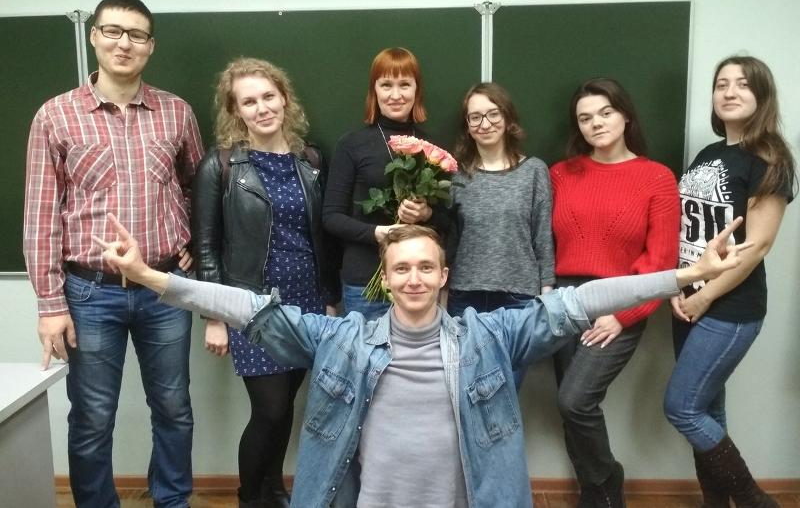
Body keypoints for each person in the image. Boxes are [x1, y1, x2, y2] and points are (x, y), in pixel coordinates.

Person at [95, 214, 748, 508]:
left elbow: (581, 303)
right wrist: (151, 277)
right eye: (401, 267)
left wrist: (686, 274)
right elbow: (247, 308)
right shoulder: (340, 339)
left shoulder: (491, 337)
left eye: (425, 267)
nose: (413, 278)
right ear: (386, 277)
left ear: (443, 276)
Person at [22, 0, 203, 508]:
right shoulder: (55, 116)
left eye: (137, 35)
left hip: (163, 289)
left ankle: (172, 501)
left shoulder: (177, 113)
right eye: (113, 31)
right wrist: (50, 304)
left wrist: (190, 240)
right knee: (92, 416)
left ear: (151, 45)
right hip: (88, 293)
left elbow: (199, 185)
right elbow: (40, 215)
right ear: (94, 36)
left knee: (174, 409)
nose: (125, 43)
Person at [191, 57, 338, 507]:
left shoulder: (311, 160)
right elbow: (206, 246)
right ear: (236, 111)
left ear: (284, 99)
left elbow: (324, 237)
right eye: (249, 101)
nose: (262, 108)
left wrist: (329, 299)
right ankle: (251, 498)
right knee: (270, 410)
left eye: (268, 97)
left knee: (285, 407)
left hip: (306, 302)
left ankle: (273, 490)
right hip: (251, 306)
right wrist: (215, 317)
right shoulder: (220, 165)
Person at [663, 56, 796, 508]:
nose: (729, 92)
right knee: (707, 409)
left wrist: (704, 298)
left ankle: (755, 500)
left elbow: (757, 246)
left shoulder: (770, 158)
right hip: (687, 300)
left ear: (762, 95)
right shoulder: (710, 153)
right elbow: (688, 230)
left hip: (730, 308)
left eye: (742, 84)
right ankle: (716, 503)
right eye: (722, 84)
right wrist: (679, 288)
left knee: (682, 407)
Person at [549, 78, 680, 506]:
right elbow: (542, 241)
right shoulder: (560, 174)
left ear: (625, 116)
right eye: (585, 118)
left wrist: (622, 315)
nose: (596, 123)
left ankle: (608, 484)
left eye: (605, 113)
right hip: (564, 301)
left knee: (575, 401)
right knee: (569, 410)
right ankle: (598, 497)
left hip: (621, 299)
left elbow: (660, 262)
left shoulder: (656, 178)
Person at [447, 82, 554, 389]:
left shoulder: (534, 171)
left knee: (504, 392)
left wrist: (546, 294)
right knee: (466, 391)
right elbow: (449, 240)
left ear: (507, 118)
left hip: (518, 299)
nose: (485, 124)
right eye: (475, 117)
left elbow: (543, 235)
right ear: (467, 126)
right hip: (465, 297)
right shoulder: (456, 175)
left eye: (493, 114)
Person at [323, 47, 437, 320]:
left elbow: (448, 220)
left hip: (417, 283)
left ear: (416, 90)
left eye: (404, 85)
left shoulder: (432, 149)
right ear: (374, 91)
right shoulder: (352, 144)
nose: (396, 95)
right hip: (365, 285)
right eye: (386, 85)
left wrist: (426, 213)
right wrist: (377, 233)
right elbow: (331, 217)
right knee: (368, 350)